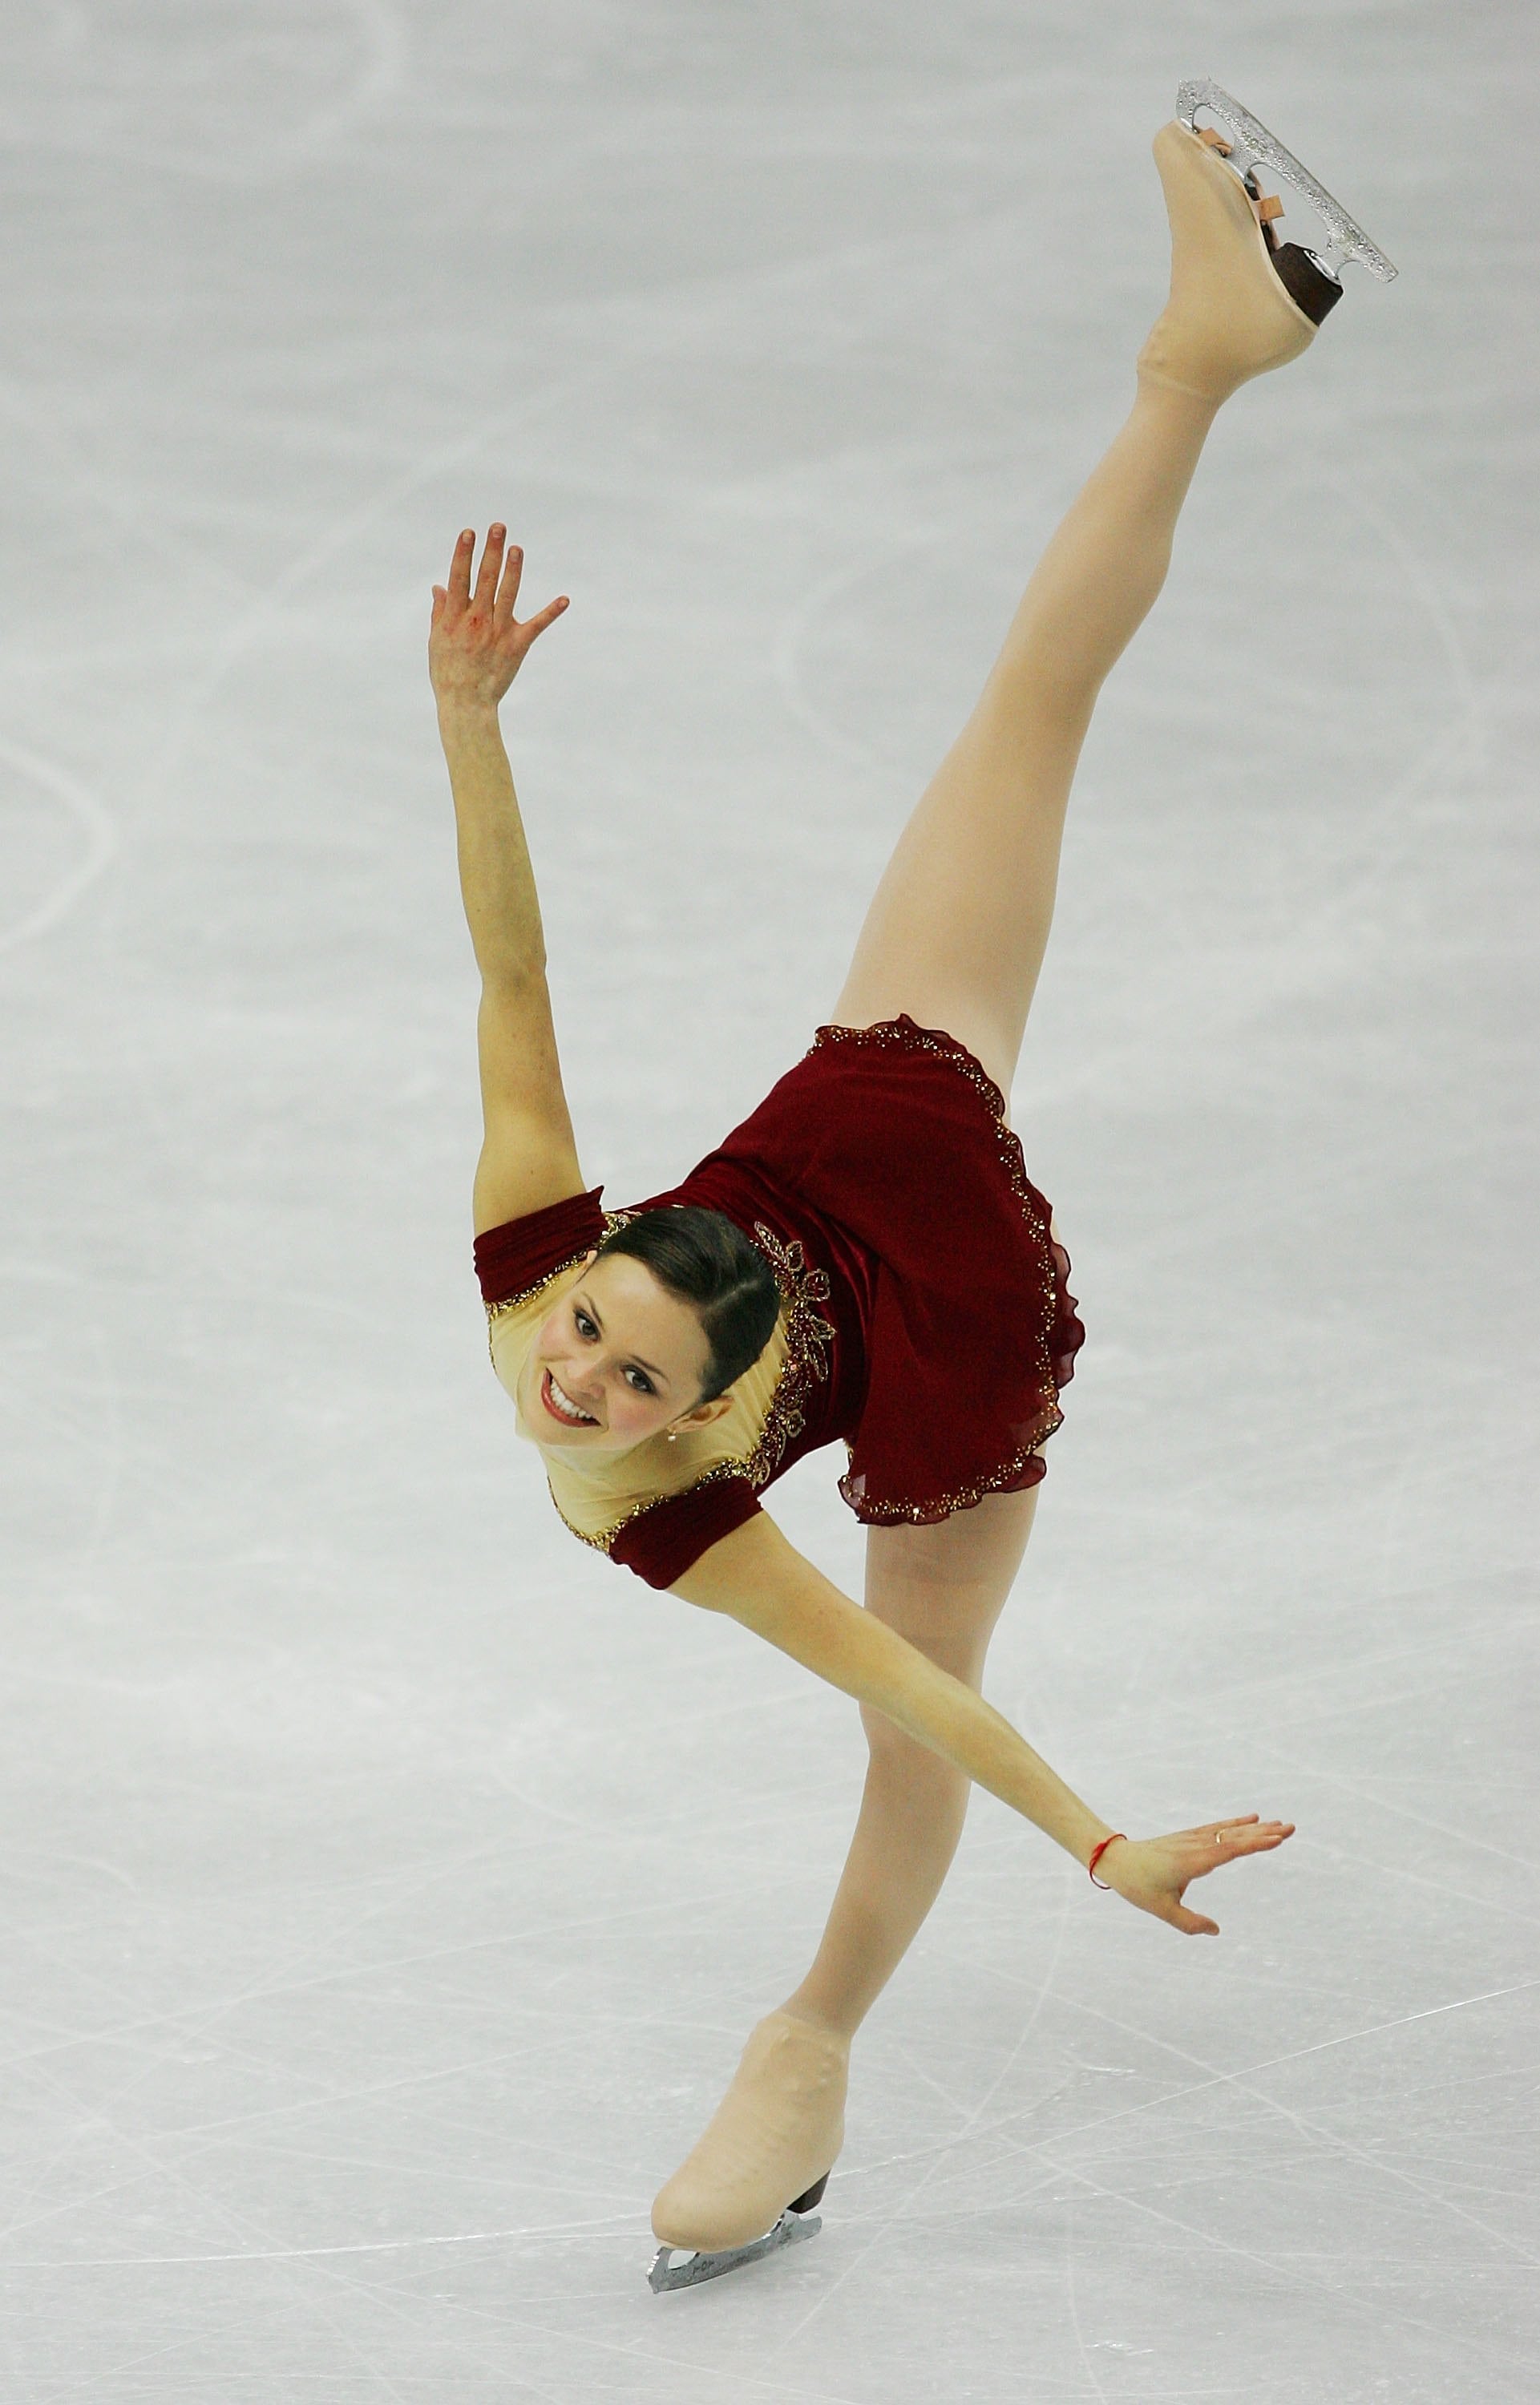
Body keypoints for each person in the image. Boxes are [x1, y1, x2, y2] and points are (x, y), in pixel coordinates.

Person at [426, 90, 1390, 2285]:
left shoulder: (663, 1498)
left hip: (905, 1190)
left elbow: (931, 1702)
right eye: (586, 1335)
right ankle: (812, 2048)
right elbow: (512, 971)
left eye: (609, 1372)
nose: (566, 1376)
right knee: (1018, 723)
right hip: (871, 1199)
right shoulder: (549, 1278)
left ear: (699, 1411)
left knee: (1020, 714)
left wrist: (1093, 1840)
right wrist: (471, 725)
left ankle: (1203, 349)